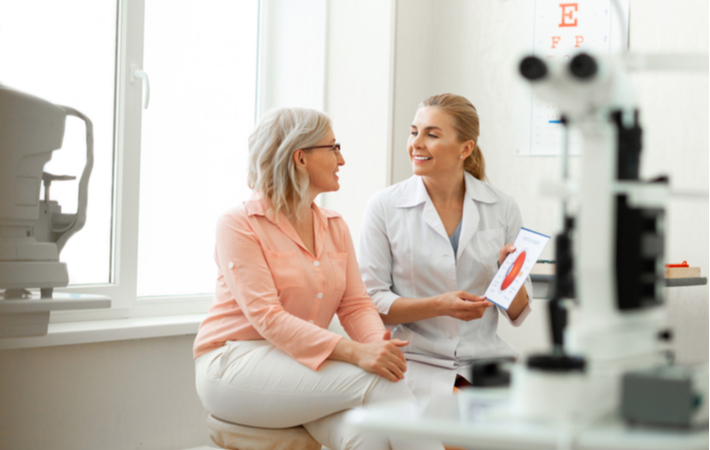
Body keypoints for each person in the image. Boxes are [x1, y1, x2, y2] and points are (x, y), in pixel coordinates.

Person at [193, 107, 443, 450]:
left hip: (298, 364)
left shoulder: (334, 225)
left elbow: (354, 304)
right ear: (300, 158)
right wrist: (356, 353)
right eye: (334, 147)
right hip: (234, 362)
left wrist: (376, 346)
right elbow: (268, 316)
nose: (342, 160)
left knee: (366, 432)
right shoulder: (238, 224)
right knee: (382, 385)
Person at [359, 93, 533, 400]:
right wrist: (439, 305)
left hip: (486, 360)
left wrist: (511, 274)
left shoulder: (501, 206)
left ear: (465, 149)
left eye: (432, 134)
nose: (416, 143)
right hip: (416, 361)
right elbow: (372, 302)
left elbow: (518, 312)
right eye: (414, 132)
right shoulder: (384, 206)